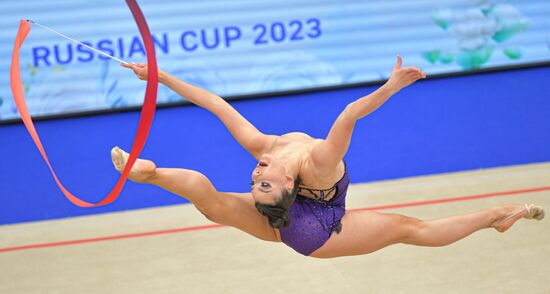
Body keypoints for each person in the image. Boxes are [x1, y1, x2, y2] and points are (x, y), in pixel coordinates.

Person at [112, 57, 544, 258]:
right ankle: (496, 215)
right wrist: (391, 86)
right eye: (263, 181)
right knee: (410, 230)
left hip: (283, 219)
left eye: (256, 180)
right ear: (287, 186)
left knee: (213, 202)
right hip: (313, 231)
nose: (256, 171)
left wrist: (160, 76)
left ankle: (149, 174)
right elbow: (350, 114)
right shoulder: (317, 165)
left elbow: (215, 104)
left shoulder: (266, 151)